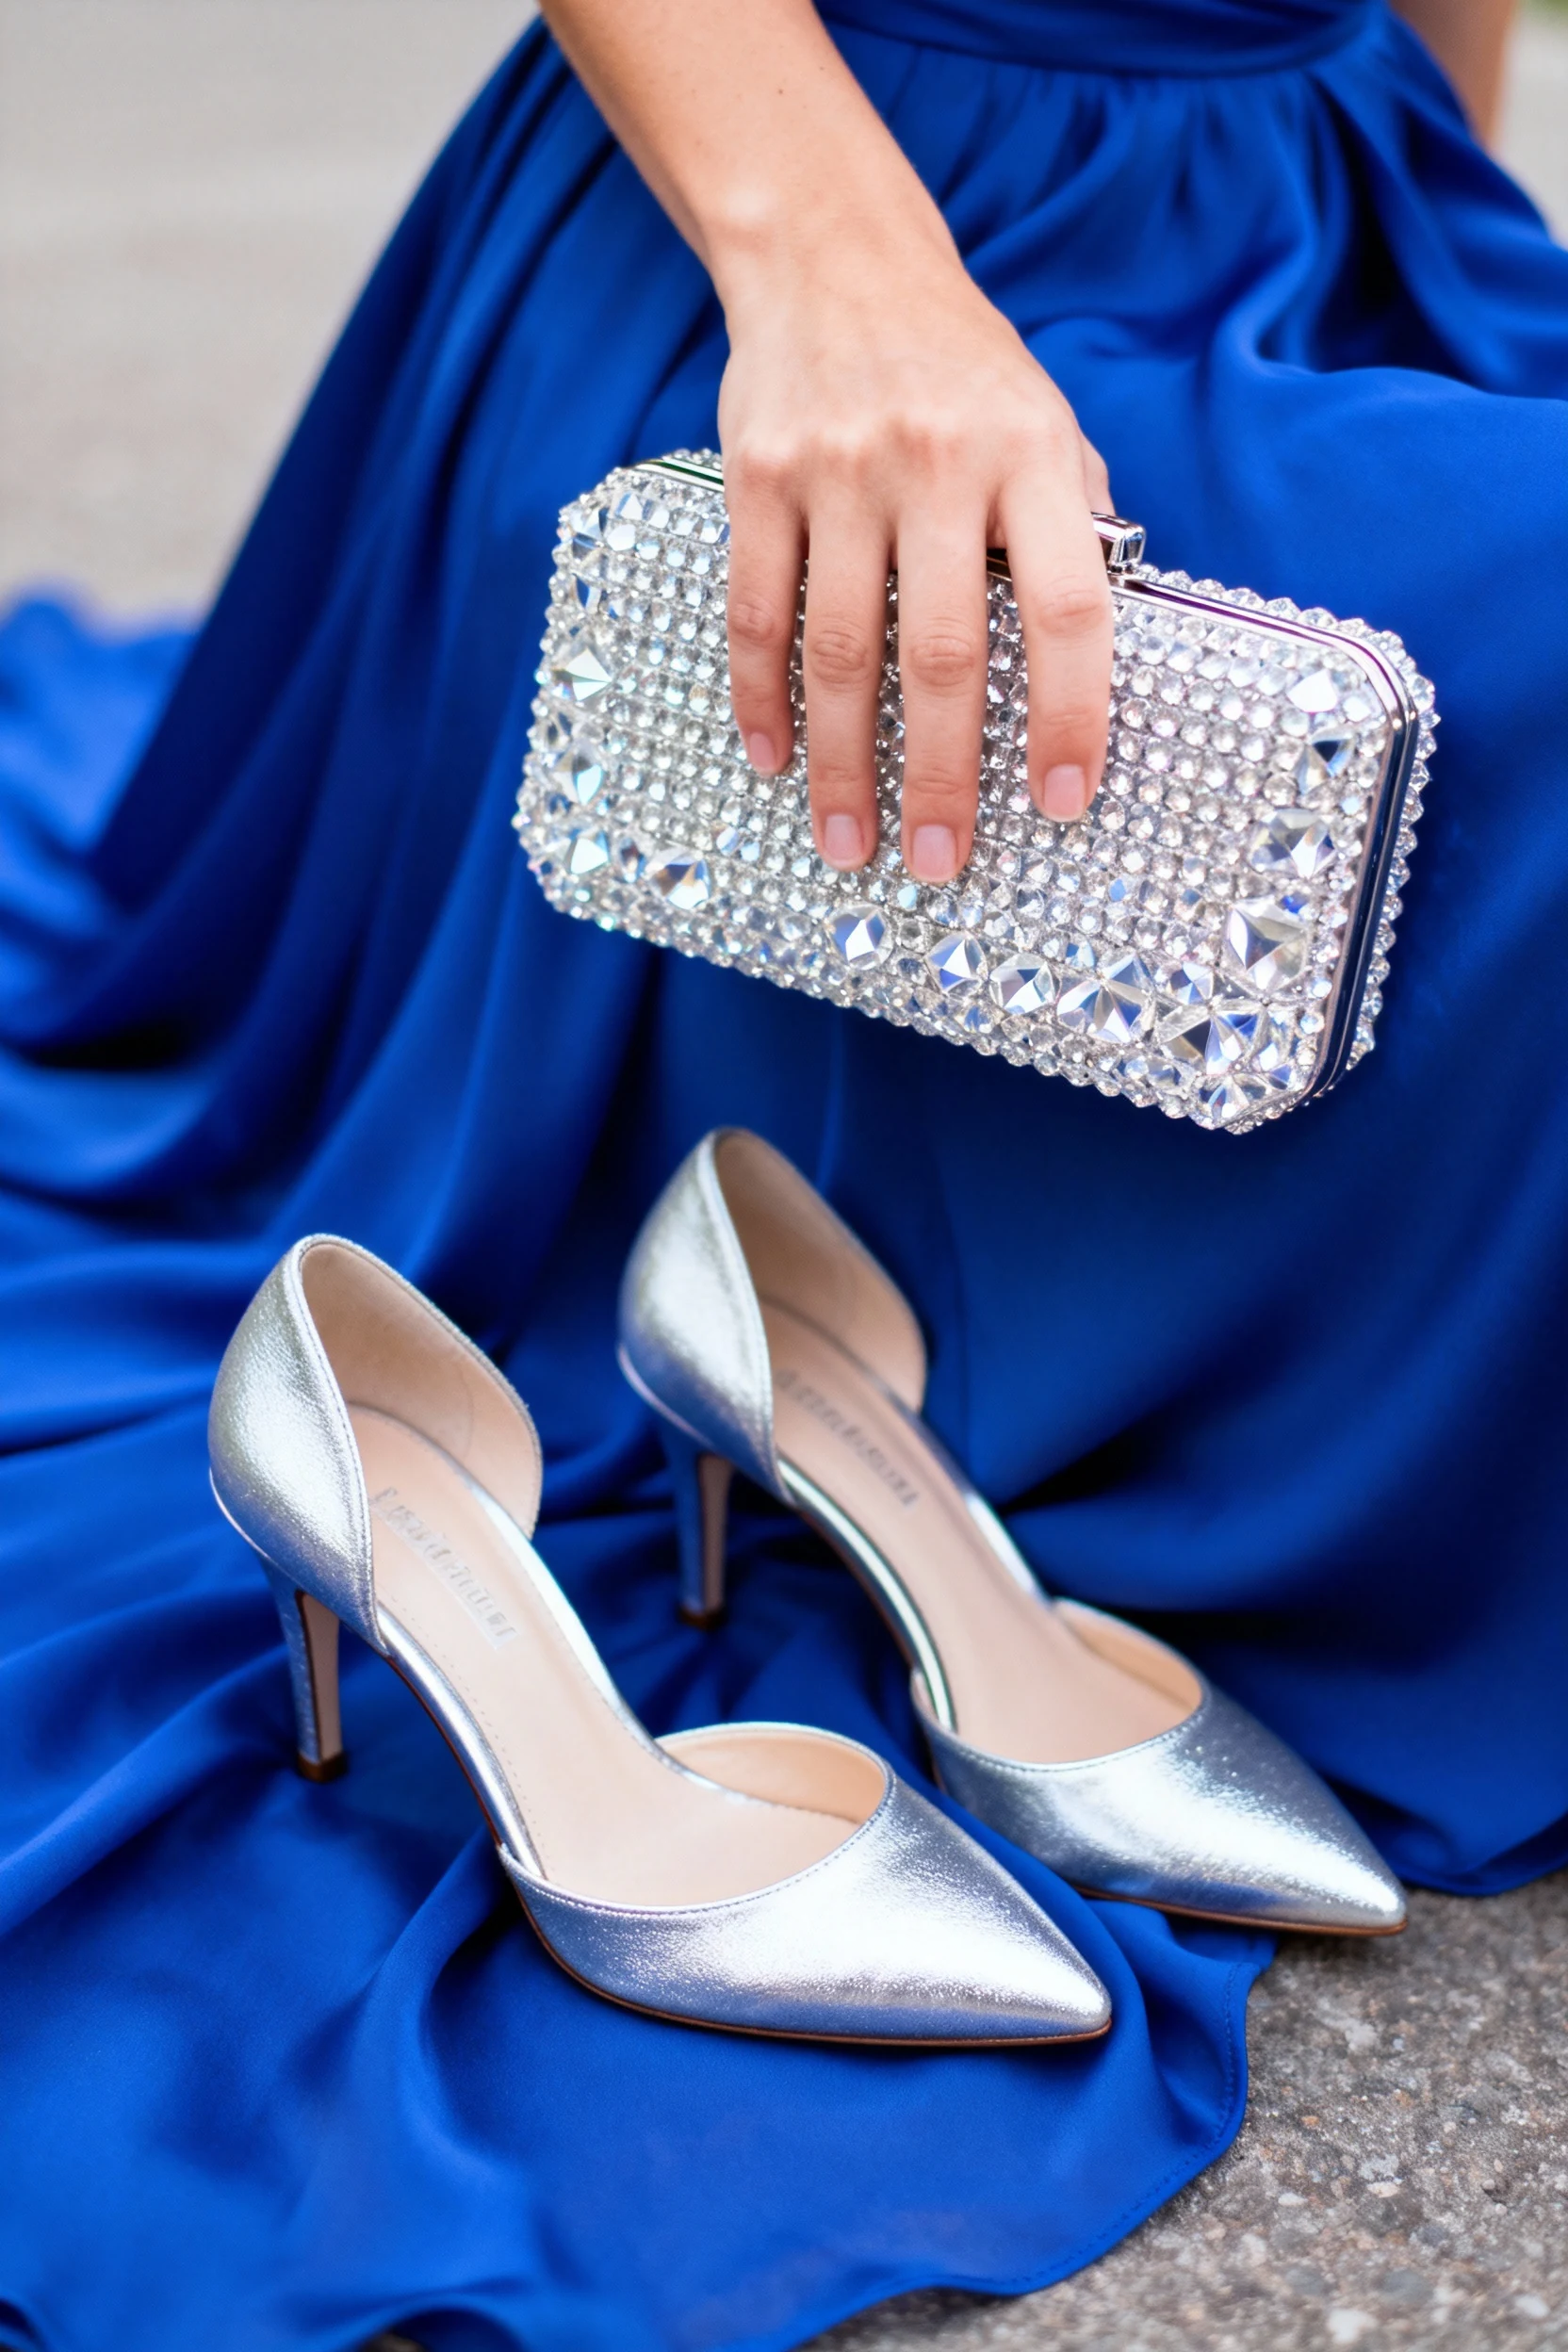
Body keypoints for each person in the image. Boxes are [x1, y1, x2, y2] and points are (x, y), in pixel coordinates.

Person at [0, 4, 1562, 2349]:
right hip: (828, 201)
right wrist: (825, 267)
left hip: (1338, 190)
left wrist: (1434, 194)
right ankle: (793, 1341)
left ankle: (802, 1337)